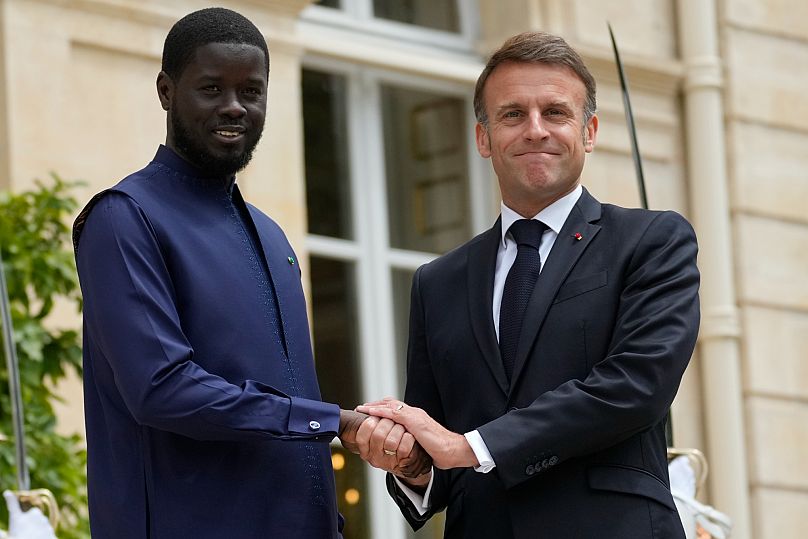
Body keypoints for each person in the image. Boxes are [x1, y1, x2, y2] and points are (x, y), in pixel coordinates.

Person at [357, 31, 700, 538]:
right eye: (513, 114)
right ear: (483, 137)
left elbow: (636, 386)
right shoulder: (438, 282)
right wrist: (412, 463)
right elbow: (441, 448)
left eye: (555, 113)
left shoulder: (651, 240)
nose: (535, 130)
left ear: (589, 132)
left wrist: (473, 446)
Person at [72, 8, 397, 538]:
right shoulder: (124, 218)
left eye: (251, 91)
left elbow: (287, 409)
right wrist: (330, 421)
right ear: (165, 91)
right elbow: (161, 387)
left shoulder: (272, 237)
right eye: (210, 88)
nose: (233, 107)